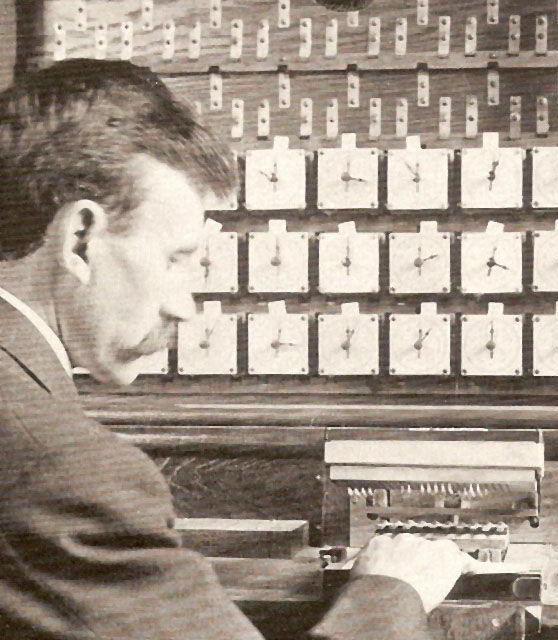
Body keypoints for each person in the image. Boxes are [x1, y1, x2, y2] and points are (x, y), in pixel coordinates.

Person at [0, 59, 479, 639]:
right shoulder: (64, 470)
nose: (185, 307)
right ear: (80, 237)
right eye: (175, 259)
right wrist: (391, 591)